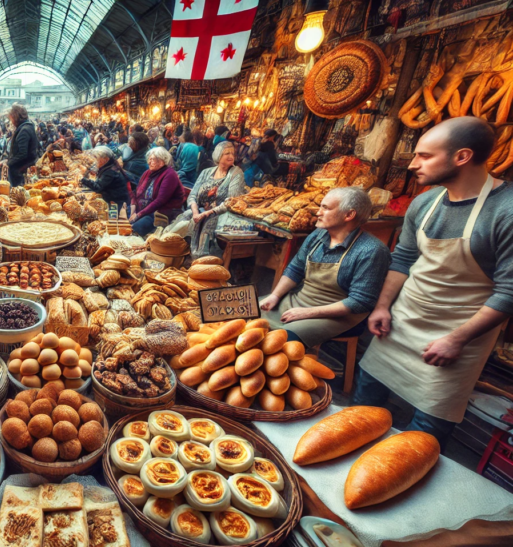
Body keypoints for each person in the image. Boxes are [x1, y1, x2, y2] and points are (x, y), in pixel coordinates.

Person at [353, 116, 512, 448]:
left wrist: (457, 339)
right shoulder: (425, 203)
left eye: (425, 156)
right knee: (361, 408)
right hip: (402, 322)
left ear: (462, 156)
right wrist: (382, 306)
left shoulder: (505, 212)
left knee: (420, 437)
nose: (413, 165)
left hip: (458, 335)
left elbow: (508, 292)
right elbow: (404, 260)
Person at [259, 187, 391, 347]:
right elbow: (295, 269)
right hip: (298, 302)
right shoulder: (317, 235)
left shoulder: (371, 250)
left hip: (337, 316)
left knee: (277, 342)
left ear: (349, 215)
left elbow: (360, 302)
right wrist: (275, 296)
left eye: (326, 208)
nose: (318, 212)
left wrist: (308, 313)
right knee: (247, 313)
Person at [187, 141, 246, 257]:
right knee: (186, 217)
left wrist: (207, 213)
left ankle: (204, 259)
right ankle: (183, 254)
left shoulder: (236, 173)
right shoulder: (206, 172)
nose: (231, 156)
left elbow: (232, 201)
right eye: (226, 153)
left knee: (208, 224)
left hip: (221, 213)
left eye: (232, 153)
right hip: (200, 211)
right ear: (218, 155)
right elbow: (192, 195)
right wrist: (195, 212)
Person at [128, 147, 185, 236]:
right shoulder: (147, 173)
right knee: (120, 216)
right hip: (144, 210)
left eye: (152, 159)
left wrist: (138, 215)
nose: (149, 162)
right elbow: (137, 193)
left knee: (135, 228)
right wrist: (133, 208)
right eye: (149, 159)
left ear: (162, 160)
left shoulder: (170, 174)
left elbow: (160, 201)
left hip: (160, 213)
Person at [1, 104, 37, 187]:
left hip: (21, 170)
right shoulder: (27, 127)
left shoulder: (24, 130)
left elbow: (22, 154)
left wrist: (8, 163)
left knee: (18, 194)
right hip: (24, 168)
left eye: (11, 118)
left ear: (15, 117)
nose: (11, 121)